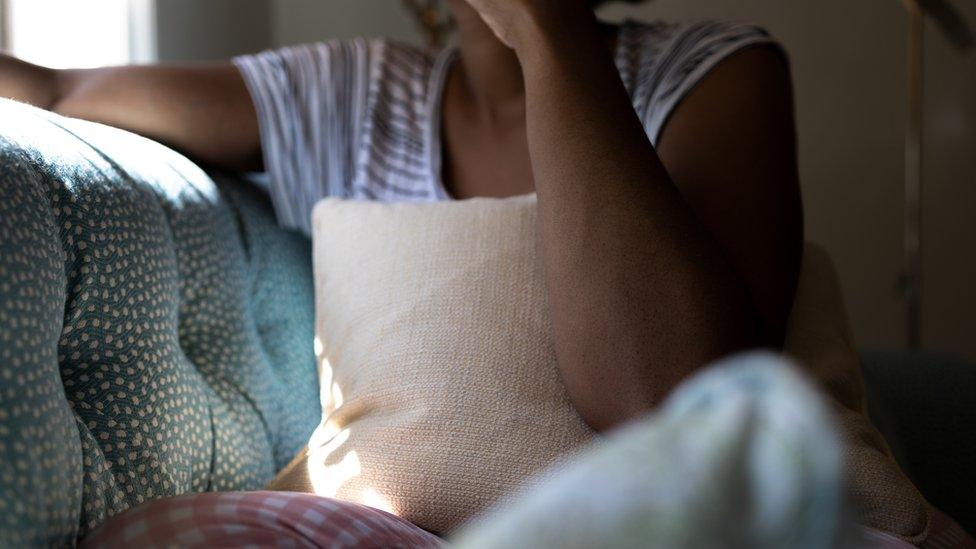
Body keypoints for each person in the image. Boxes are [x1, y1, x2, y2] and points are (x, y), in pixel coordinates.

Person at [0, 0, 801, 432]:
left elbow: (664, 405)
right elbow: (57, 93)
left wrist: (548, 32)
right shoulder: (356, 96)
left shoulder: (716, 77)